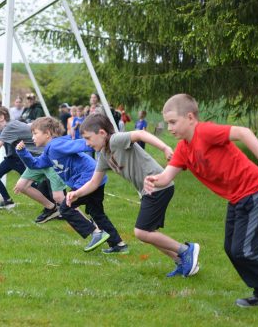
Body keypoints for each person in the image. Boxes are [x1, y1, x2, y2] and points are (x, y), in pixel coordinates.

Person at [145, 93, 258, 307]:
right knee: (233, 250)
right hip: (237, 198)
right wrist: (154, 180)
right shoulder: (183, 149)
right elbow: (166, 176)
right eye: (166, 123)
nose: (169, 128)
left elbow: (243, 132)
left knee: (247, 249)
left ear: (190, 118)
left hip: (256, 190)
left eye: (172, 122)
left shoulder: (204, 132)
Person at [68, 114, 200, 273]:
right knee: (149, 233)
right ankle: (181, 262)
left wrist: (165, 148)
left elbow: (140, 134)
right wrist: (77, 193)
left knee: (141, 232)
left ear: (102, 133)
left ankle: (186, 250)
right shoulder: (104, 155)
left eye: (89, 138)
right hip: (148, 191)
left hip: (157, 185)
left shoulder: (116, 140)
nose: (87, 143)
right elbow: (94, 182)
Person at [16, 116, 126, 252]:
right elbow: (35, 165)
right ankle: (118, 245)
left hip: (87, 178)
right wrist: (22, 152)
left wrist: (102, 141)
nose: (32, 137)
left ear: (48, 133)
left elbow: (81, 144)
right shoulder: (49, 151)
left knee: (65, 208)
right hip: (94, 177)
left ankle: (96, 233)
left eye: (35, 133)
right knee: (96, 213)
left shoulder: (56, 145)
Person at [0, 105, 67, 217]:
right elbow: (26, 128)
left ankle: (71, 211)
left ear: (1, 117)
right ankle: (52, 208)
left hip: (48, 158)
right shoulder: (6, 128)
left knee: (58, 194)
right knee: (22, 186)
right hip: (37, 160)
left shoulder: (10, 126)